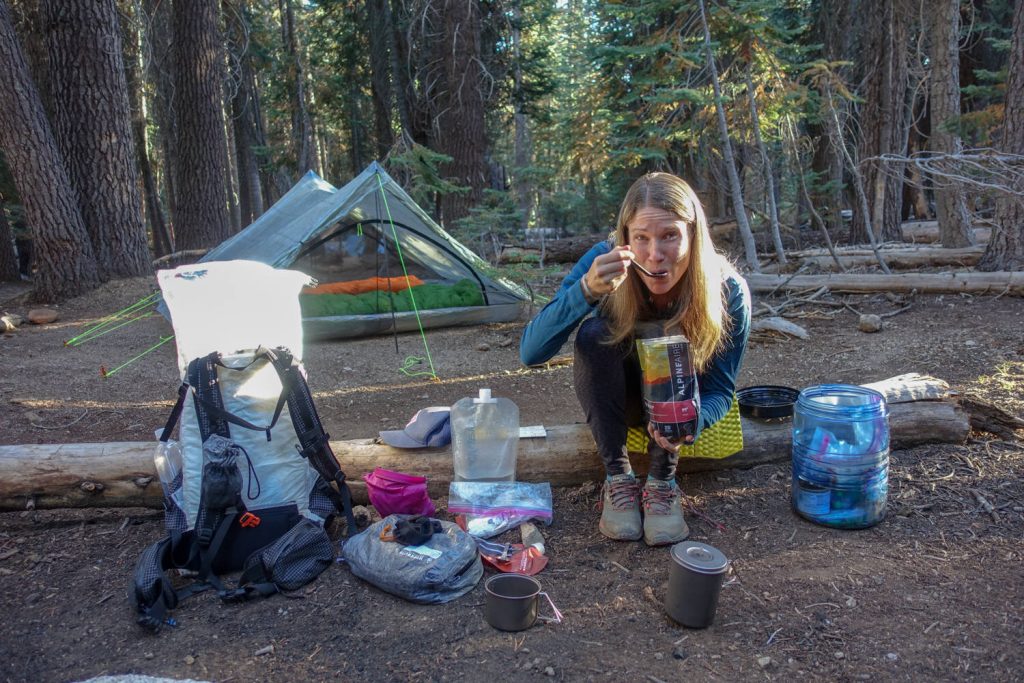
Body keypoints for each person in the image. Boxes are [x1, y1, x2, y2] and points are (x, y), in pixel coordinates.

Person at [520, 172, 750, 546]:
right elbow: (531, 352)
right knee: (594, 333)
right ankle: (619, 479)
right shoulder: (603, 262)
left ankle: (662, 482)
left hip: (677, 406)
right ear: (624, 239)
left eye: (670, 236)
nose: (655, 254)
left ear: (693, 236)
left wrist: (695, 421)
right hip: (619, 400)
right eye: (641, 238)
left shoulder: (726, 288)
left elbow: (722, 390)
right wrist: (585, 292)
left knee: (671, 339)